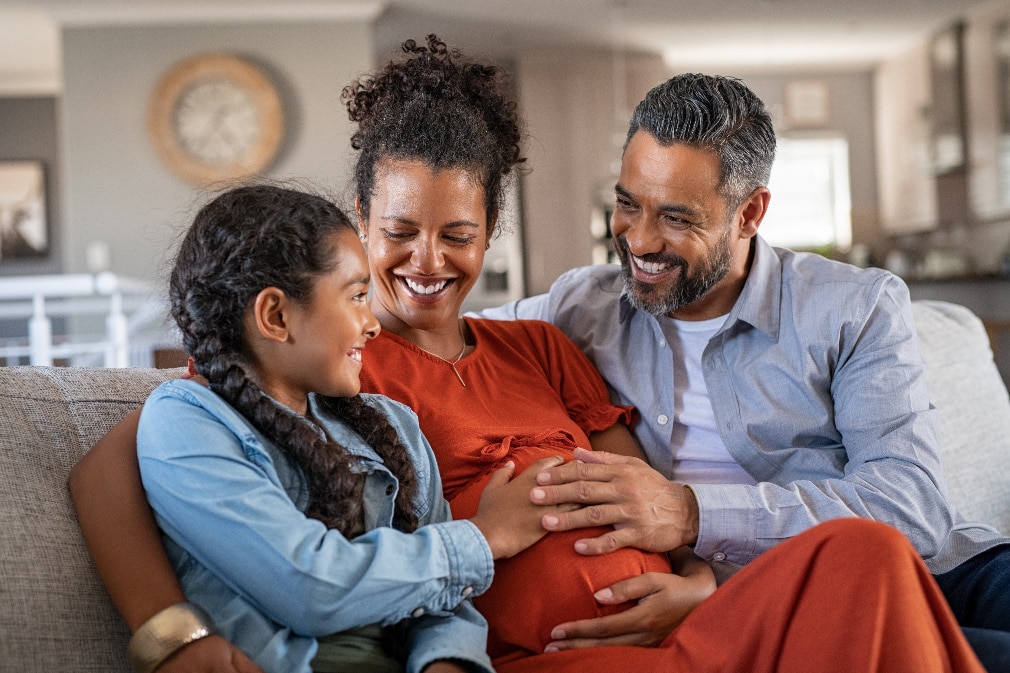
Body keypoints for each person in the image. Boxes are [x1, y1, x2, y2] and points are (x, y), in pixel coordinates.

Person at [69, 37, 987, 673]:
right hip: (552, 654)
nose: (427, 262)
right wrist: (174, 636)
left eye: (457, 234)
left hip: (687, 629)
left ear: (493, 231)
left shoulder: (548, 338)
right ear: (360, 223)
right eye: (397, 232)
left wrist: (701, 588)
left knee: (867, 554)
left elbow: (644, 502)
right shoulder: (335, 365)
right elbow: (126, 453)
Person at [480, 72, 1010, 668]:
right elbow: (443, 335)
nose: (640, 240)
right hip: (766, 606)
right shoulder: (582, 307)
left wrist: (689, 513)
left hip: (938, 571)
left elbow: (909, 508)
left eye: (677, 218)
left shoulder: (854, 306)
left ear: (750, 213)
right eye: (628, 204)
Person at [72, 183, 573, 673]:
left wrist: (447, 660)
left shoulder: (393, 423)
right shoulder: (188, 418)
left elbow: (445, 606)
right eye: (356, 296)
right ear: (275, 314)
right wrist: (484, 537)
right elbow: (309, 588)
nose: (372, 323)